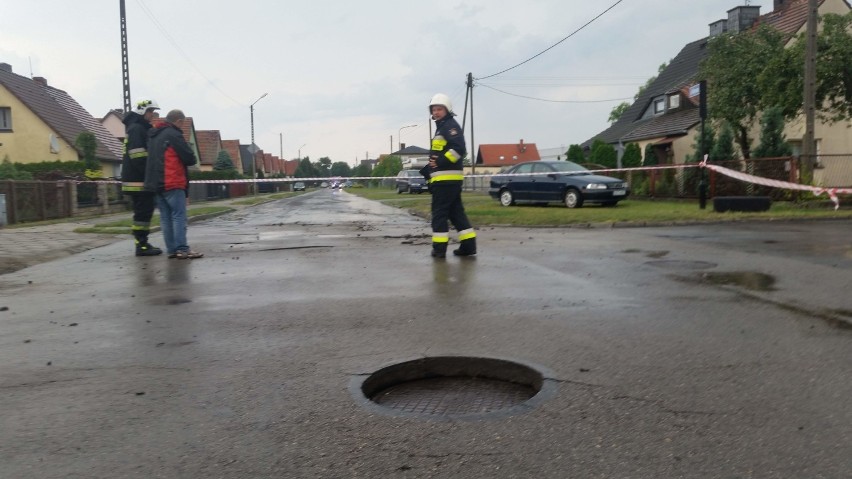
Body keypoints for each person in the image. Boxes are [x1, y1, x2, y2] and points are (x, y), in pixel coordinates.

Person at [422, 93, 477, 258]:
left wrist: (440, 161)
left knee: (439, 214)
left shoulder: (449, 127)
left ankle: (439, 249)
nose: (436, 112)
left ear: (447, 110)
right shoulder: (443, 126)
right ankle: (468, 246)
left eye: (439, 109)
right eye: (434, 109)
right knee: (456, 213)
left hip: (446, 180)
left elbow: (459, 149)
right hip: (446, 179)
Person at [144, 109, 203, 260]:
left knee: (165, 217)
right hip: (173, 181)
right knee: (178, 216)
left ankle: (172, 249)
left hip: (156, 183)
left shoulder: (154, 135)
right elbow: (189, 158)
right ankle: (182, 249)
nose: (182, 126)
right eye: (182, 123)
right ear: (178, 121)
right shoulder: (174, 134)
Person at [121, 99, 163, 256]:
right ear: (142, 111)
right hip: (138, 180)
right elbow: (138, 155)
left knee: (144, 213)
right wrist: (150, 174)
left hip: (137, 180)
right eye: (150, 111)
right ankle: (141, 245)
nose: (152, 115)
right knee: (142, 213)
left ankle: (142, 242)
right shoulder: (137, 129)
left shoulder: (136, 128)